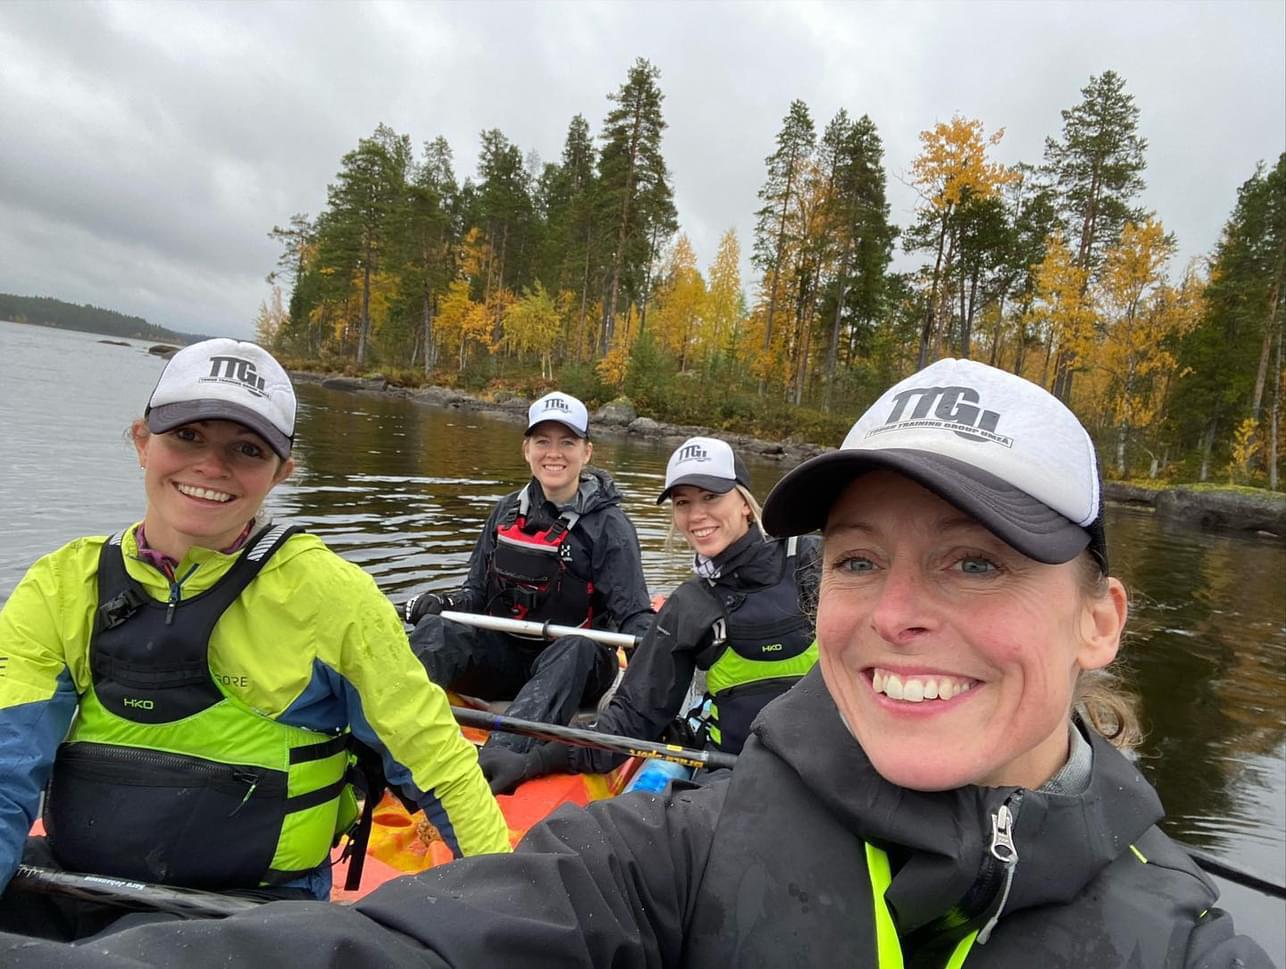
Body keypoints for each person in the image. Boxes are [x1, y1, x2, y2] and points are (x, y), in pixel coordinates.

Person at [0, 358, 1272, 967]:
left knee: (543, 697)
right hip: (668, 748)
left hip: (665, 740)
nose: (896, 613)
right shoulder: (686, 861)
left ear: (1098, 619)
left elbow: (626, 667)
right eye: (860, 560)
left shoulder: (1185, 946)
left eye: (976, 563)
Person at [0, 339, 510, 941]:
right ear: (142, 441)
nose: (211, 467)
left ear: (282, 472)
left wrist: (501, 918)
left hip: (253, 918)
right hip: (75, 890)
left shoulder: (332, 597)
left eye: (246, 449)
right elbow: (7, 765)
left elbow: (438, 765)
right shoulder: (62, 586)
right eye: (187, 436)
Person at [480, 436, 819, 794]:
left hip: (829, 771)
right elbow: (629, 722)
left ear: (746, 504)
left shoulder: (815, 563)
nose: (696, 515)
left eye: (711, 497)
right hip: (732, 779)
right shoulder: (691, 605)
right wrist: (533, 762)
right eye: (683, 502)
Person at [405, 391, 654, 774]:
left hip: (578, 664)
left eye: (567, 442)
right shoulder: (505, 512)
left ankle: (495, 762)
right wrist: (442, 604)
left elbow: (635, 617)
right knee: (437, 629)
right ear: (527, 450)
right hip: (506, 657)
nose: (554, 453)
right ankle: (376, 733)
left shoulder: (610, 527)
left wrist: (652, 693)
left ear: (586, 452)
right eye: (543, 442)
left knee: (576, 647)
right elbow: (474, 594)